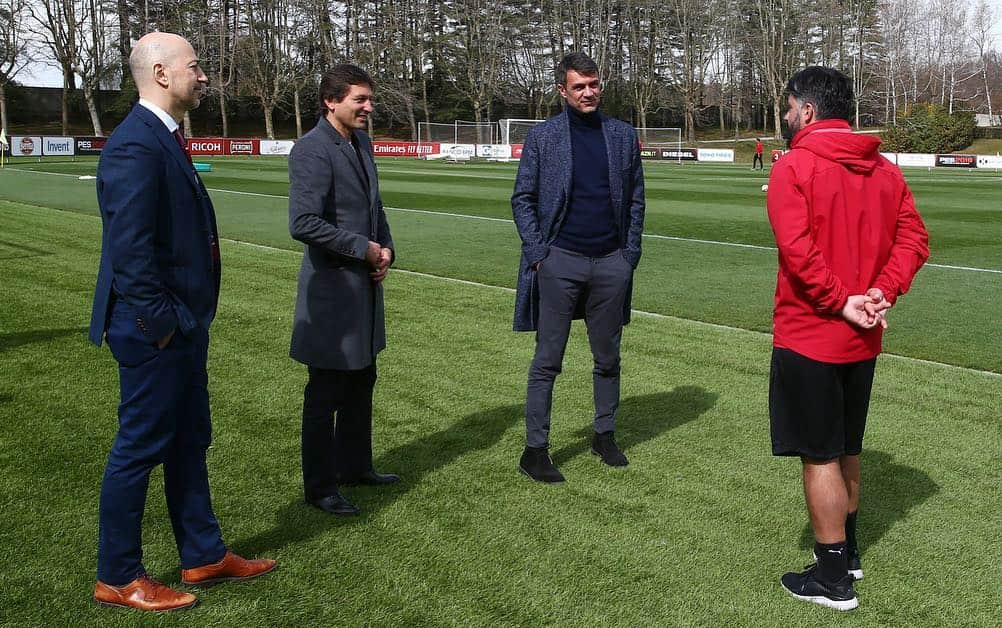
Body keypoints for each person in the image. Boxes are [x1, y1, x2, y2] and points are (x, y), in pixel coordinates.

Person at [88, 32, 275, 612]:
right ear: (163, 74)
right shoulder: (136, 145)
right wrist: (165, 324)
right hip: (156, 332)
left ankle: (203, 553)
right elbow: (131, 253)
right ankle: (118, 576)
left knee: (191, 441)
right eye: (195, 66)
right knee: (139, 450)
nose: (203, 75)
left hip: (182, 326)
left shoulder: (161, 138)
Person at [766, 66, 928, 611]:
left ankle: (832, 578)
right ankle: (849, 551)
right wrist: (882, 291)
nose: (786, 117)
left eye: (789, 107)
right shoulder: (885, 169)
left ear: (807, 110)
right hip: (861, 338)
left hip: (811, 332)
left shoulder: (794, 166)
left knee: (820, 455)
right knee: (847, 447)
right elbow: (915, 240)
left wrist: (844, 300)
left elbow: (798, 249)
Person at [511, 52, 645, 483]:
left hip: (611, 263)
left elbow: (637, 199)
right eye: (578, 87)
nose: (588, 93)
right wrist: (538, 253)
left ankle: (604, 434)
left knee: (607, 358)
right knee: (548, 360)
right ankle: (536, 450)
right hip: (559, 261)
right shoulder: (544, 136)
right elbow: (523, 198)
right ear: (562, 91)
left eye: (593, 84)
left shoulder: (622, 135)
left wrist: (629, 256)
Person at [288, 64, 397, 516]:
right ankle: (320, 485)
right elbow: (303, 223)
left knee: (362, 380)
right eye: (360, 100)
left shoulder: (361, 143)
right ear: (331, 101)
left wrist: (387, 249)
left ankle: (355, 466)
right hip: (332, 291)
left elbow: (373, 206)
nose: (369, 108)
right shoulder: (311, 150)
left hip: (363, 290)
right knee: (326, 392)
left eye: (369, 99)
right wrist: (362, 249)